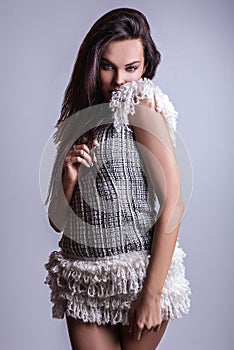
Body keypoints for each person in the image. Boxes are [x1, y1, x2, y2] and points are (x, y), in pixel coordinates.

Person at [43, 7, 191, 350]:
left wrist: (152, 295)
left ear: (146, 68)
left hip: (137, 275)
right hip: (84, 277)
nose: (119, 80)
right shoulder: (79, 121)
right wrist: (69, 179)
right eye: (108, 66)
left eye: (131, 68)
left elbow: (174, 203)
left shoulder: (140, 105)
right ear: (93, 63)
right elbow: (56, 221)